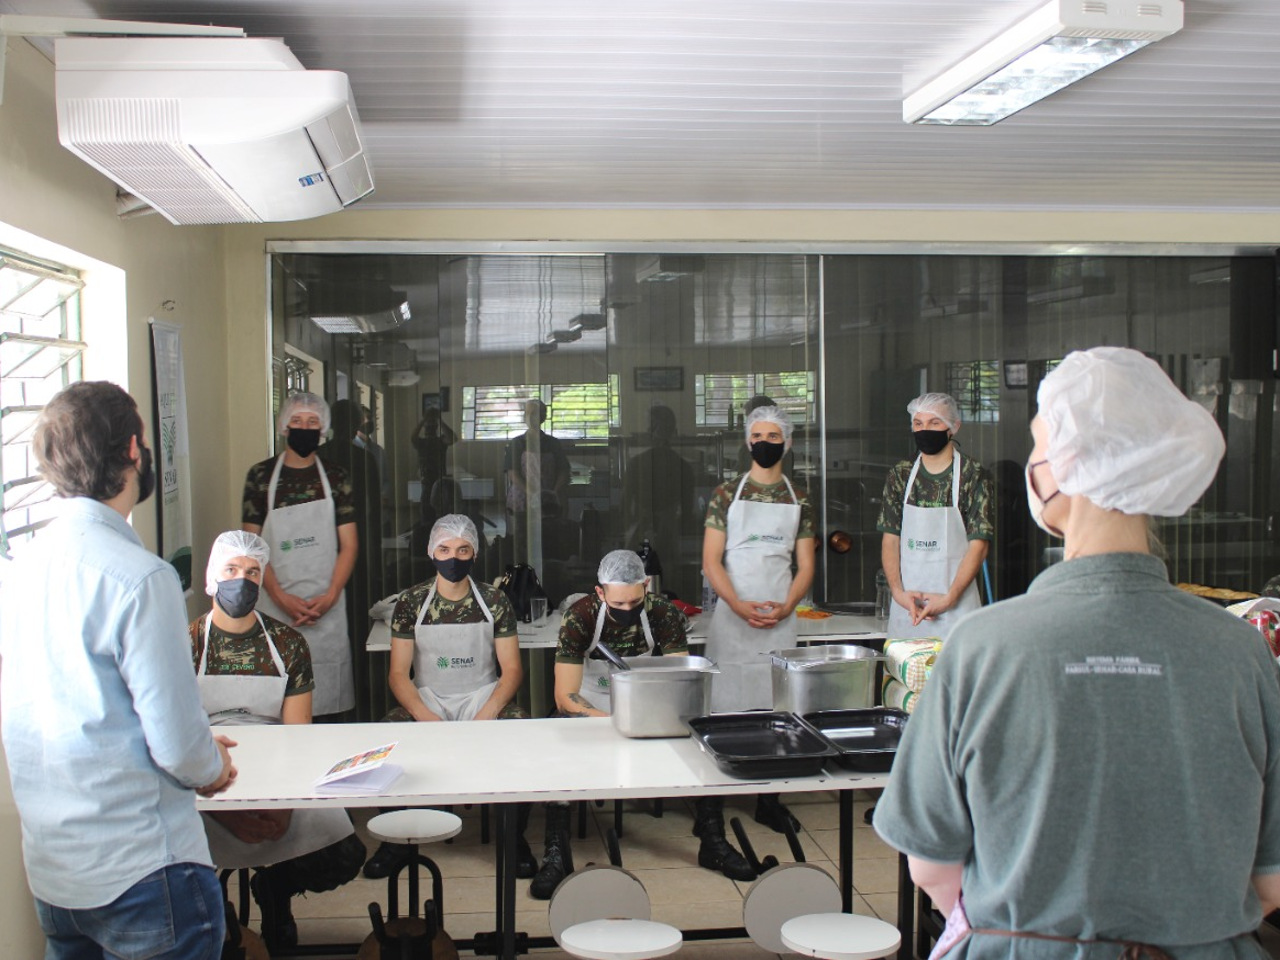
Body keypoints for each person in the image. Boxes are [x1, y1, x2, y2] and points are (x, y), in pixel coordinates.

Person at [874, 347, 1280, 958]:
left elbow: (931, 867)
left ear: (1063, 470)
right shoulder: (1241, 651)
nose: (1031, 464)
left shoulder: (982, 647)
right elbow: (1270, 878)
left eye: (1039, 446)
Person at [0, 381, 237, 960]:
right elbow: (180, 749)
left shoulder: (21, 566)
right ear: (134, 451)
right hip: (143, 873)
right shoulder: (139, 576)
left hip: (57, 872)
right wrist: (213, 763)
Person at [532, 550, 753, 899]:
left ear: (647, 586)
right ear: (600, 592)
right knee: (555, 746)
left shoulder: (664, 614)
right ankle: (556, 853)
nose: (626, 610)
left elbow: (681, 679)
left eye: (634, 601)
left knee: (704, 740)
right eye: (617, 603)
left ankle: (712, 839)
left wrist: (646, 718)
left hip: (648, 704)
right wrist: (611, 721)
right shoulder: (581, 617)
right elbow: (566, 696)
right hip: (592, 707)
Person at [191, 531, 366, 951]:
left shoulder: (288, 645)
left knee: (344, 855)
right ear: (211, 578)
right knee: (178, 862)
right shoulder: (186, 644)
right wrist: (230, 817)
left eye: (253, 572)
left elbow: (297, 736)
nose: (242, 581)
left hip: (277, 771)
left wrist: (285, 809)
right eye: (231, 570)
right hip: (206, 781)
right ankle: (221, 922)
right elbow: (179, 743)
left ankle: (276, 891)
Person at [364, 514, 532, 879]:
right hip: (428, 699)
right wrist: (426, 717)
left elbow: (512, 669)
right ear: (431, 552)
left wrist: (487, 713)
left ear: (474, 554)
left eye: (462, 549)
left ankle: (513, 838)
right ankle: (396, 839)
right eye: (444, 549)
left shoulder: (494, 600)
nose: (452, 557)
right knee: (384, 743)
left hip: (482, 696)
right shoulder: (412, 602)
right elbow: (398, 673)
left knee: (521, 737)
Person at [702, 404, 816, 836]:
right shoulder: (726, 494)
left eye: (773, 437)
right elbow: (712, 561)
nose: (764, 444)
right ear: (747, 441)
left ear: (786, 443)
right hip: (733, 618)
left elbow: (805, 564)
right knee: (724, 705)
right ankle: (711, 804)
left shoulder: (799, 496)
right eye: (757, 437)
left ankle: (769, 800)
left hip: (780, 616)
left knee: (777, 709)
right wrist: (736, 604)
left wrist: (787, 606)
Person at [243, 391, 358, 718]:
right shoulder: (261, 476)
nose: (304, 427)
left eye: (312, 422)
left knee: (327, 704)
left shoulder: (336, 477)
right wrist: (279, 596)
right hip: (275, 606)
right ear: (283, 426)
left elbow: (349, 544)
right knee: (276, 701)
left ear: (323, 430)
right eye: (297, 421)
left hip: (327, 605)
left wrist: (331, 595)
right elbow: (252, 546)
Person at [876, 392, 994, 641]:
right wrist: (898, 593)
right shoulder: (901, 474)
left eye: (934, 423)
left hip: (956, 609)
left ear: (953, 427)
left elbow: (979, 545)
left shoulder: (972, 475)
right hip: (908, 608)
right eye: (918, 423)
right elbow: (890, 539)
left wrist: (950, 598)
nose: (925, 430)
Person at [622, 404, 696, 584]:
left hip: (646, 526)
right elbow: (687, 510)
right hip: (667, 530)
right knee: (668, 575)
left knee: (636, 575)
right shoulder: (683, 467)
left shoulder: (636, 463)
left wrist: (627, 526)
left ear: (650, 431)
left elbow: (625, 503)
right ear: (673, 432)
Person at [503, 398, 571, 559]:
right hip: (522, 501)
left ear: (543, 416)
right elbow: (513, 473)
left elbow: (563, 470)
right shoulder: (517, 443)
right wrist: (532, 493)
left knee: (549, 542)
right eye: (528, 413)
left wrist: (553, 493)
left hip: (549, 500)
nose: (531, 417)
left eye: (536, 413)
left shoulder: (553, 443)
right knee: (522, 542)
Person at [412, 404, 456, 522]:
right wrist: (424, 420)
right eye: (428, 426)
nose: (429, 428)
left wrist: (439, 420)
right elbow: (413, 437)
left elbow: (453, 438)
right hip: (427, 483)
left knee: (440, 514)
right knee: (426, 514)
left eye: (432, 425)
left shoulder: (440, 441)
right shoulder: (422, 443)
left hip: (439, 482)